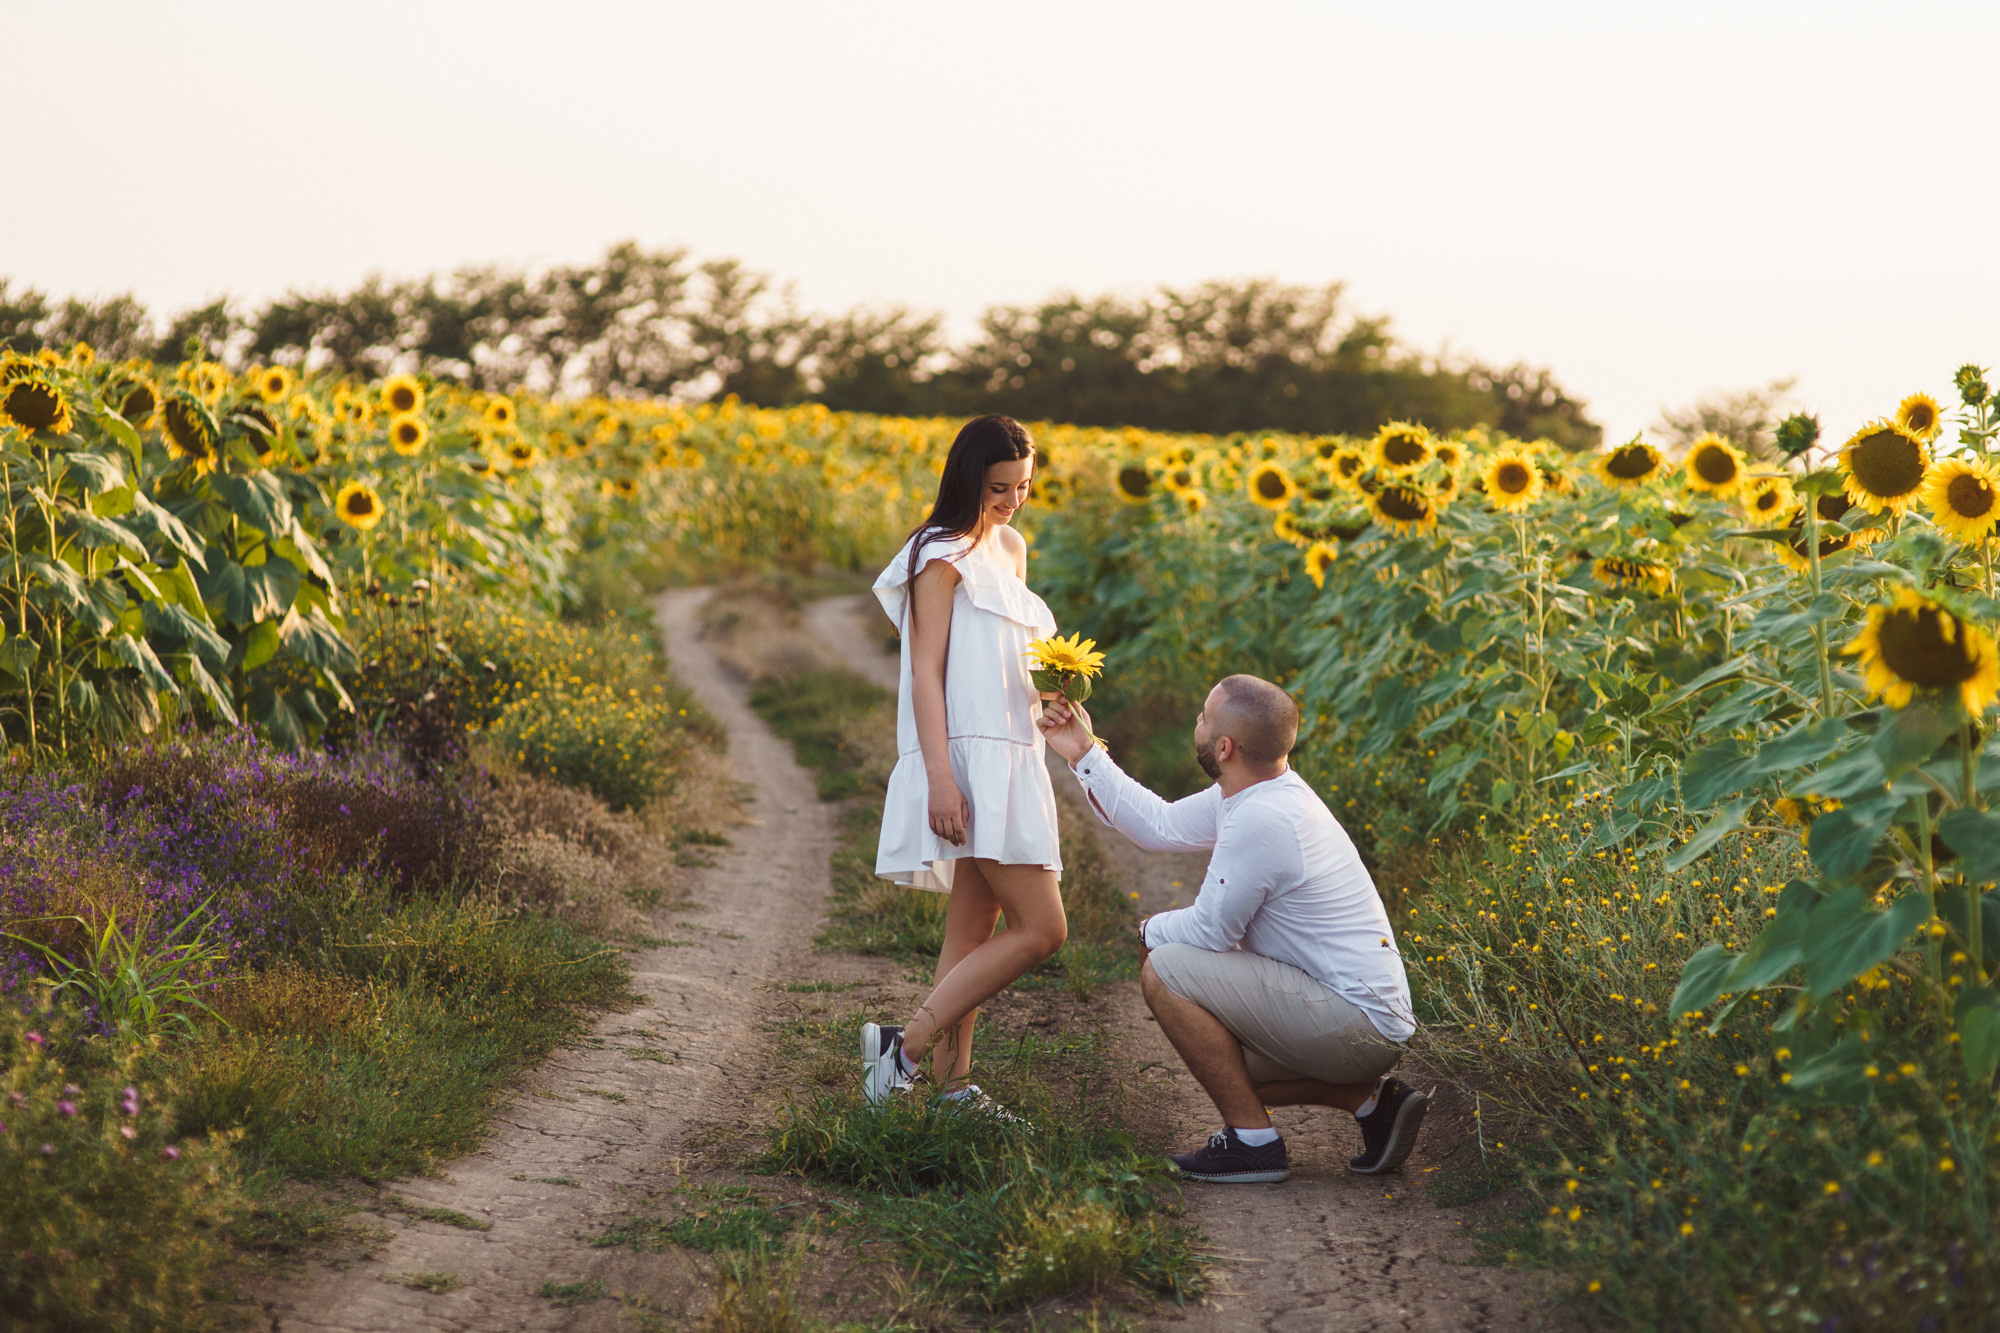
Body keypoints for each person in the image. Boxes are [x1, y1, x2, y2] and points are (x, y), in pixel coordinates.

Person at [1037, 677, 1425, 1181]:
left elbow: (1212, 931)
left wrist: (1151, 929)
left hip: (1356, 1021)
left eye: (1202, 717)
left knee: (1168, 967)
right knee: (1225, 1065)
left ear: (1224, 747)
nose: (1194, 723)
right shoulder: (1255, 792)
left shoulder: (1263, 816)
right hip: (1358, 1015)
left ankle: (1252, 1143)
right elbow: (1159, 825)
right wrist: (1084, 752)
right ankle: (1374, 1104)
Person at [860, 415, 1068, 1118]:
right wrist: (941, 777)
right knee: (1044, 929)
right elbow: (926, 674)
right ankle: (905, 1048)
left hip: (1016, 752)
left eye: (1023, 487)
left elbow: (1012, 659)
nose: (1012, 501)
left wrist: (1054, 698)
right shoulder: (936, 554)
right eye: (998, 487)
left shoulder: (1011, 547)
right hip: (965, 757)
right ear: (967, 478)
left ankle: (952, 1087)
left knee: (972, 930)